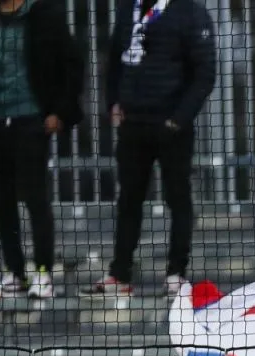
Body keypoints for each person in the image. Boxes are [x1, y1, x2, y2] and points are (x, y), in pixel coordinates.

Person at [82, 0, 217, 297]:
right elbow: (115, 62)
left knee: (178, 199)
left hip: (171, 126)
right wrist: (113, 103)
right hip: (133, 124)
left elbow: (205, 72)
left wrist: (178, 119)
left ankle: (176, 274)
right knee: (128, 200)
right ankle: (120, 275)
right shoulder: (127, 9)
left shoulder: (190, 12)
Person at [0, 0, 84, 300]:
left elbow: (71, 64)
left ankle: (42, 273)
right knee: (2, 202)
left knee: (36, 199)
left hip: (31, 120)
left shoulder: (44, 15)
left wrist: (59, 112)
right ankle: (15, 272)